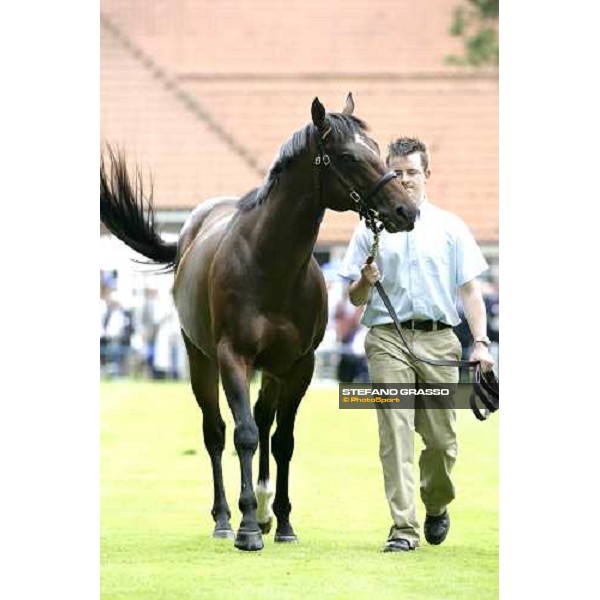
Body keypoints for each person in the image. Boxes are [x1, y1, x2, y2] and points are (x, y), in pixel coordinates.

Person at [339, 137, 495, 552]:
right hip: (387, 339)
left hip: (441, 341)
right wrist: (364, 282)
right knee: (396, 431)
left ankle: (437, 504)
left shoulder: (450, 227)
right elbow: (354, 299)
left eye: (411, 171)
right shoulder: (368, 227)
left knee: (442, 442)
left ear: (426, 174)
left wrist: (480, 343)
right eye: (397, 172)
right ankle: (403, 528)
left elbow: (470, 293)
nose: (404, 179)